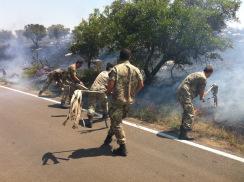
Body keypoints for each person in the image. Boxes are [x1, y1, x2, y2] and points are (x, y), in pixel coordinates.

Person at [102, 49, 144, 156]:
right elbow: (141, 84)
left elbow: (111, 85)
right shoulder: (136, 69)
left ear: (119, 57)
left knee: (117, 122)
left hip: (117, 101)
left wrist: (107, 91)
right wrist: (132, 94)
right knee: (117, 120)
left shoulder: (116, 69)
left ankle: (122, 147)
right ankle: (108, 138)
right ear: (129, 57)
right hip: (128, 101)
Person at [177, 65, 213, 140]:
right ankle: (183, 134)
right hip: (185, 93)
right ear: (209, 73)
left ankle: (182, 132)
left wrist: (202, 95)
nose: (210, 76)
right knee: (190, 113)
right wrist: (202, 97)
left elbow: (199, 91)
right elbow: (201, 93)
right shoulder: (203, 78)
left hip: (181, 91)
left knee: (186, 112)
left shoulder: (197, 73)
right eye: (210, 74)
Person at [87, 63, 114, 128]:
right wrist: (110, 92)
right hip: (101, 90)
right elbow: (109, 86)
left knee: (91, 105)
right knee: (104, 103)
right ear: (111, 69)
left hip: (93, 89)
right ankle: (105, 115)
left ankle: (90, 120)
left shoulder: (102, 73)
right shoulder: (110, 75)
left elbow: (104, 83)